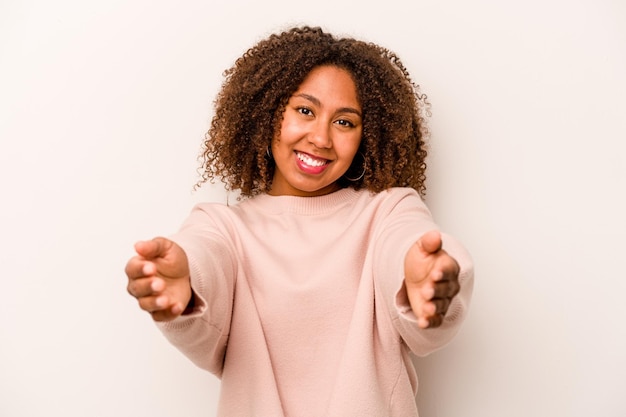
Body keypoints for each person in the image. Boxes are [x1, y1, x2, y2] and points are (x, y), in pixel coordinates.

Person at [125, 26, 474, 417]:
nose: (321, 138)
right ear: (268, 112)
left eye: (344, 122)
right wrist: (185, 286)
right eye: (305, 111)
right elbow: (203, 256)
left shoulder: (386, 213)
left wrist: (427, 279)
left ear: (366, 137)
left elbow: (410, 247)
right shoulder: (225, 228)